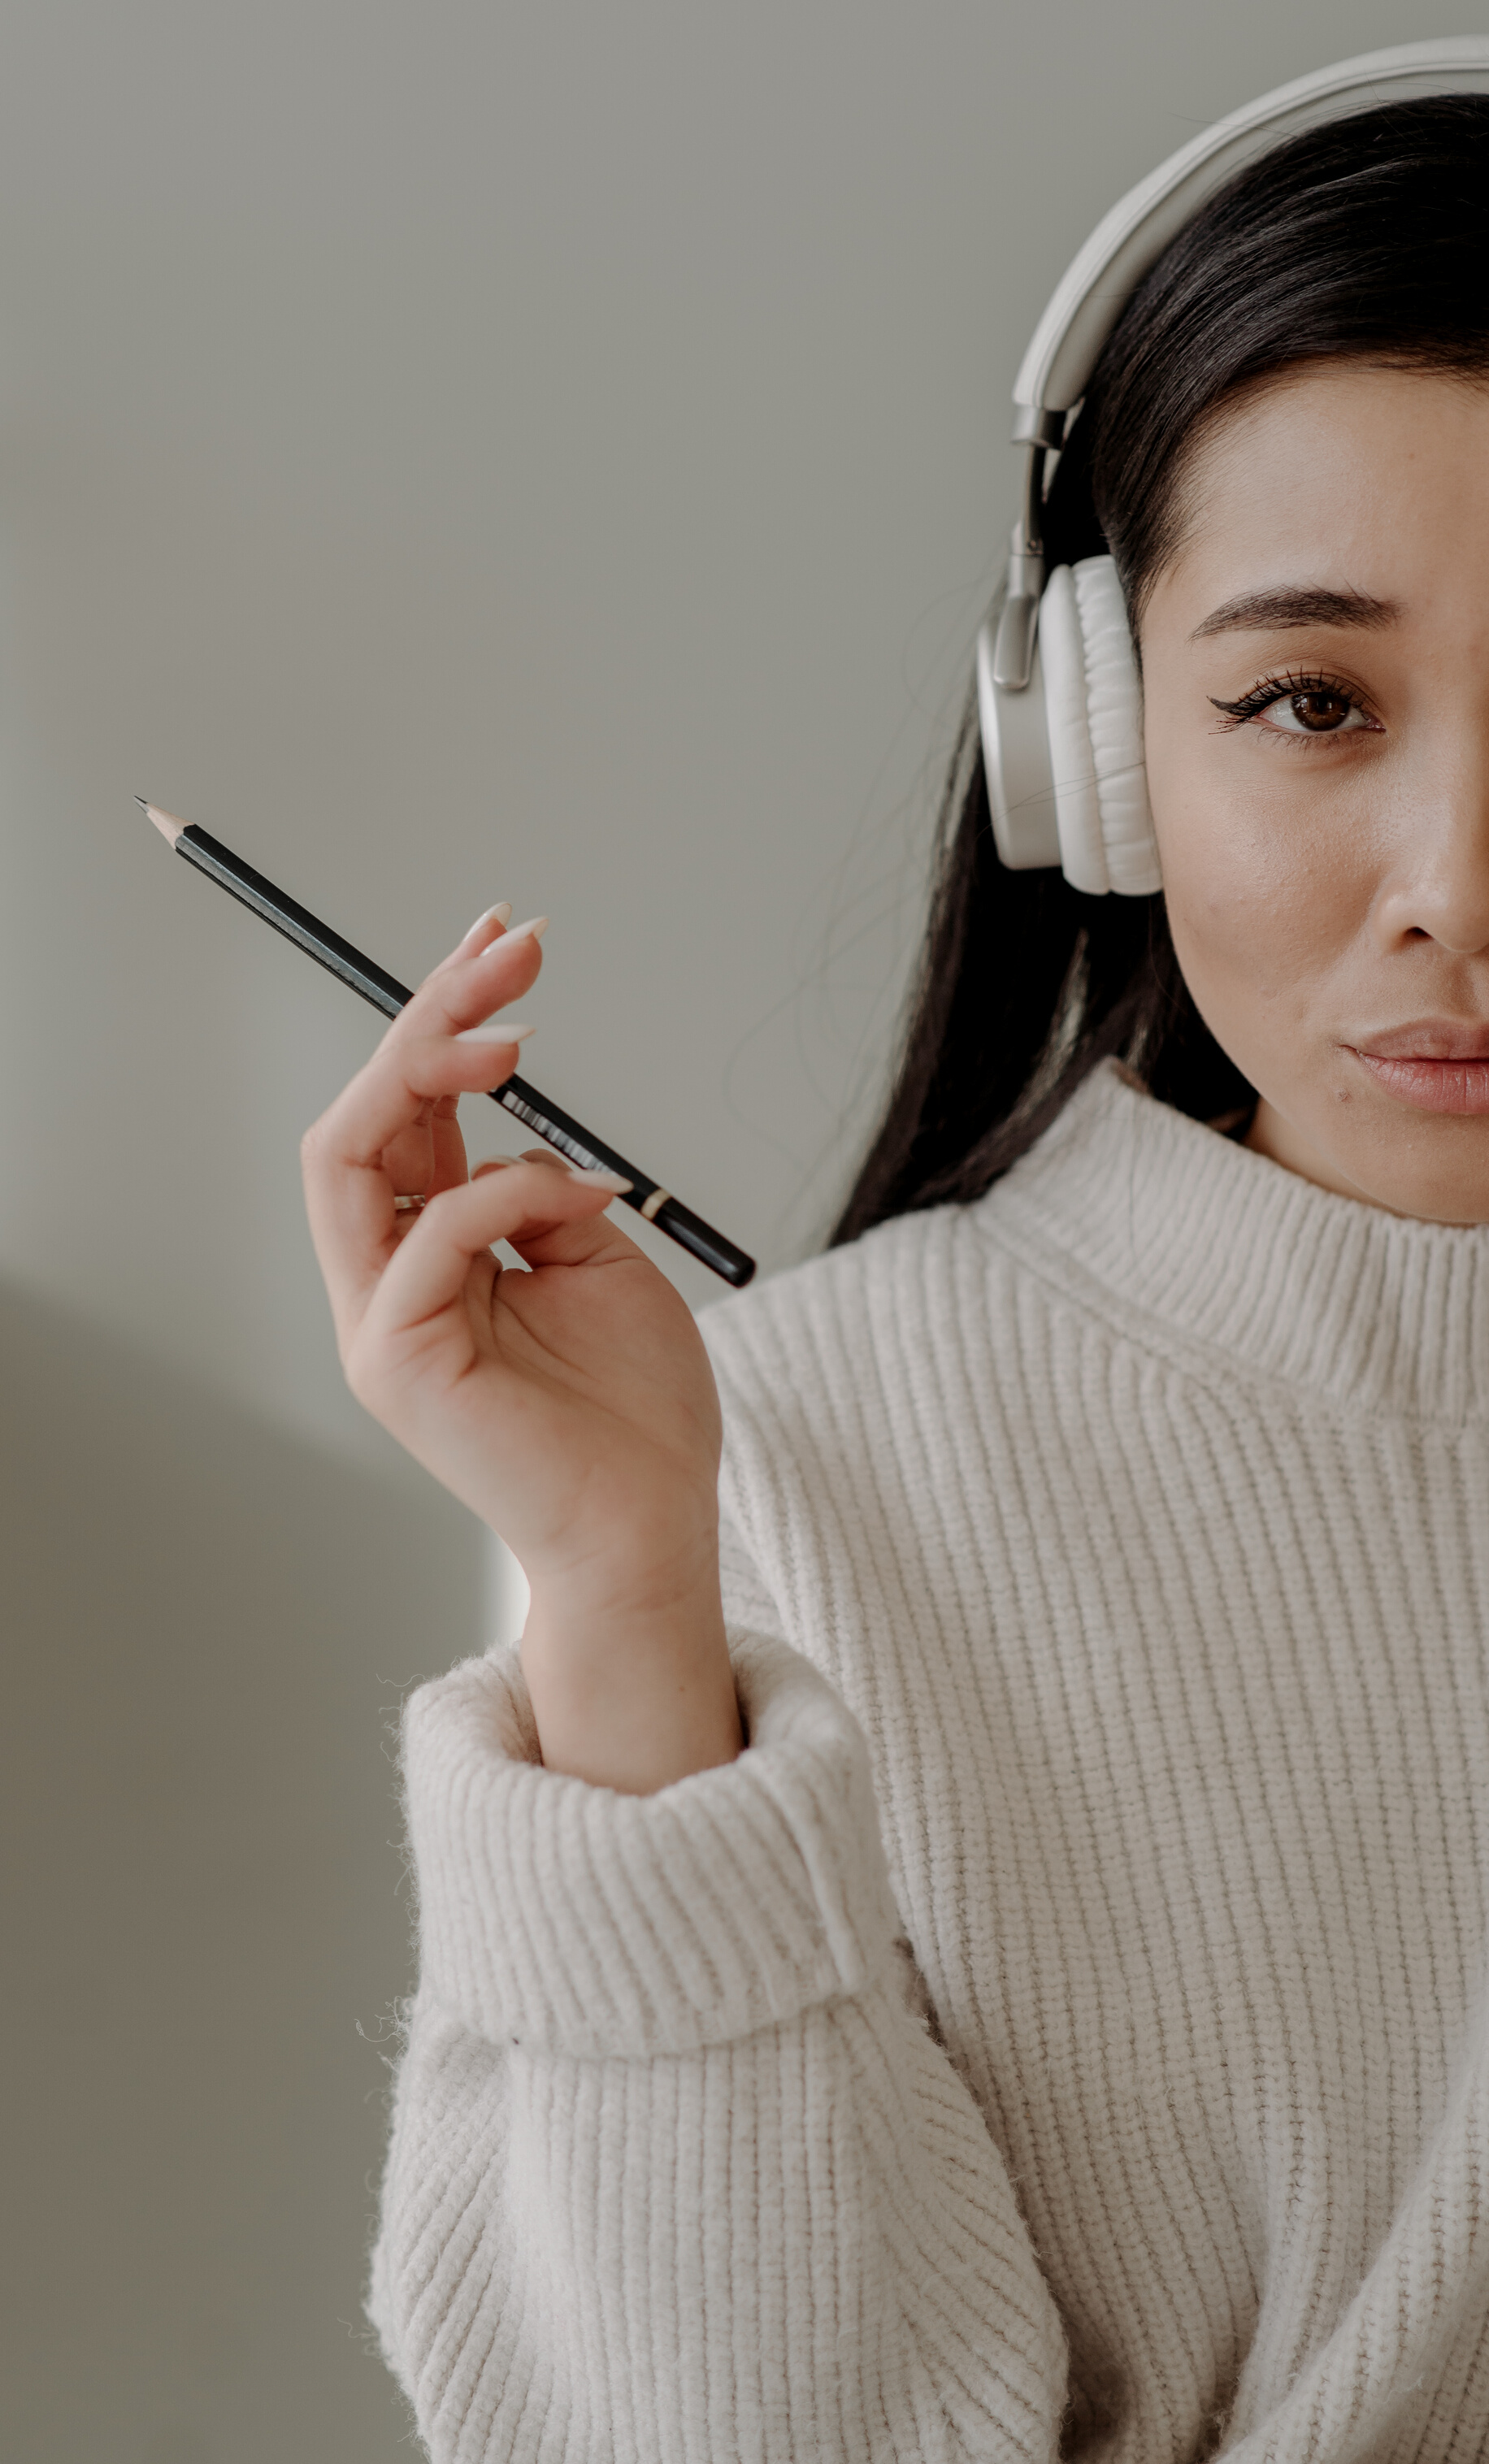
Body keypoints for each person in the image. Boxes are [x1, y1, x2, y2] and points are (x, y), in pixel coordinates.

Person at [300, 59, 1489, 2464]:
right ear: (1093, 747)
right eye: (1309, 702)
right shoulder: (798, 1466)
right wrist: (633, 1598)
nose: (1457, 878)